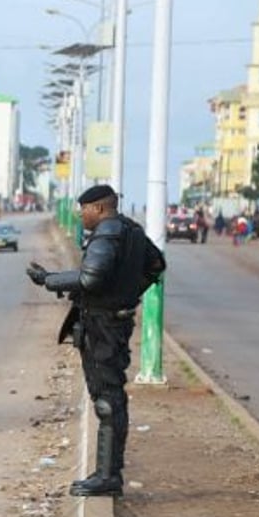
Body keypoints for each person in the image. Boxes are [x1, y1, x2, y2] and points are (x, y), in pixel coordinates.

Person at [26, 185, 166, 497]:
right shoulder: (133, 231)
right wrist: (127, 295)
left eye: (84, 209)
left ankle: (107, 477)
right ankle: (107, 474)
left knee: (106, 401)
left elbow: (90, 278)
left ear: (100, 209)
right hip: (115, 322)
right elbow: (156, 266)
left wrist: (49, 280)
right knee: (112, 398)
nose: (80, 214)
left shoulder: (106, 234)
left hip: (102, 326)